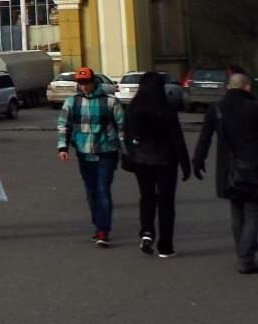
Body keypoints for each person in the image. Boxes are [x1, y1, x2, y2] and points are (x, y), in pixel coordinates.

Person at [116, 70, 189, 257]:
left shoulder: (134, 107)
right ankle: (165, 246)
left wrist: (130, 155)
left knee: (147, 198)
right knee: (166, 203)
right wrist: (185, 164)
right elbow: (177, 139)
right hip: (166, 161)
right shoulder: (166, 108)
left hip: (142, 160)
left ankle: (147, 232)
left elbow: (127, 135)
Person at [192, 72, 258, 274]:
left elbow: (205, 138)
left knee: (236, 214)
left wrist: (198, 160)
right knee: (253, 214)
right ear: (247, 87)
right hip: (253, 169)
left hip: (227, 170)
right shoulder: (255, 107)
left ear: (229, 87)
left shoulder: (216, 108)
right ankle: (245, 257)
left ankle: (242, 253)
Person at [58, 66, 121, 246]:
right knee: (91, 191)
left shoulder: (110, 102)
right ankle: (98, 223)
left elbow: (122, 126)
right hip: (84, 153)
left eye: (86, 82)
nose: (84, 86)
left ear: (94, 82)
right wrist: (62, 147)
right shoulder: (71, 103)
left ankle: (103, 230)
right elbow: (64, 125)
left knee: (103, 190)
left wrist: (125, 151)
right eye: (80, 83)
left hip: (106, 152)